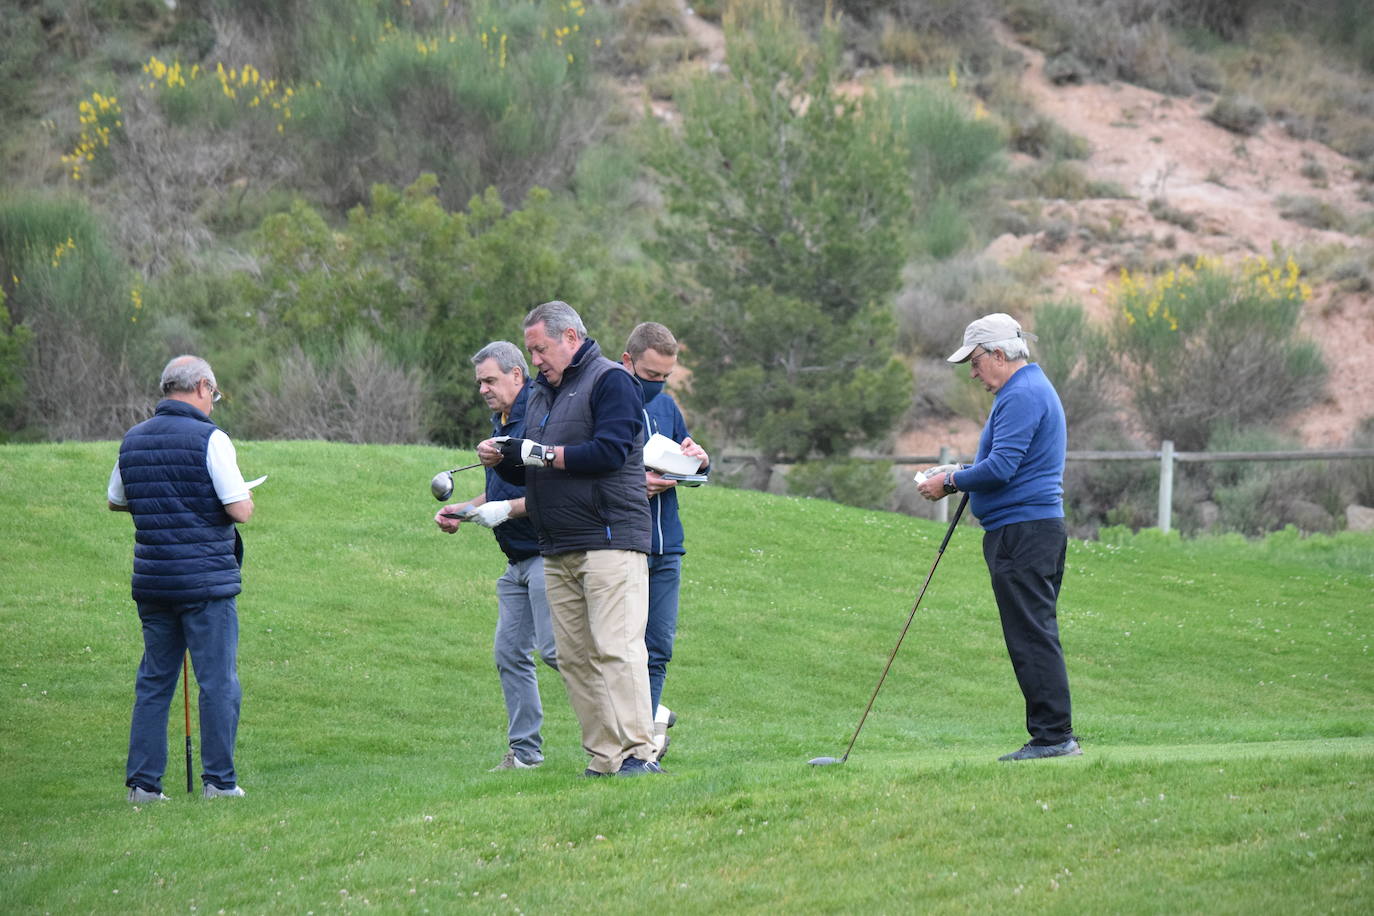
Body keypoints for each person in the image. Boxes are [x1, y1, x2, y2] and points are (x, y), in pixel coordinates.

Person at [477, 301, 660, 777]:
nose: (535, 359)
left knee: (616, 649)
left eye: (540, 349)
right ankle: (605, 758)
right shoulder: (541, 393)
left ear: (571, 338)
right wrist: (505, 458)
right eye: (532, 350)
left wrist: (539, 453)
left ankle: (639, 754)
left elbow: (611, 451)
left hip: (609, 539)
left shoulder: (611, 381)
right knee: (575, 657)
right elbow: (532, 467)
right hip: (556, 545)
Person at [916, 313, 1080, 761]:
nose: (972, 373)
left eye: (975, 362)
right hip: (1027, 530)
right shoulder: (1025, 390)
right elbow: (1003, 464)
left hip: (1023, 533)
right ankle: (1054, 735)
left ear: (999, 355)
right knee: (1034, 632)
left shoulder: (1022, 394)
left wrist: (951, 481)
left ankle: (1053, 738)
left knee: (1031, 635)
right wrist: (960, 474)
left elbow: (1003, 468)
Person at [108, 355, 254, 801]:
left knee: (154, 681)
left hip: (154, 583)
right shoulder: (212, 439)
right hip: (206, 584)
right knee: (217, 683)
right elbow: (240, 509)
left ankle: (143, 786)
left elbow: (116, 500)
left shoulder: (133, 439)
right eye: (215, 394)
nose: (214, 402)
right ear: (203, 386)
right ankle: (220, 782)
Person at [435, 341, 559, 771]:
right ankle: (525, 755)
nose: (484, 389)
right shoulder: (499, 422)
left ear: (517, 375)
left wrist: (502, 510)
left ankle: (640, 719)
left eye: (490, 380)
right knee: (509, 654)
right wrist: (464, 512)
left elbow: (550, 492)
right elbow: (501, 492)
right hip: (516, 561)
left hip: (549, 553)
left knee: (559, 653)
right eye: (480, 383)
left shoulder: (539, 419)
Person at [619, 322, 709, 761]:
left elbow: (684, 461)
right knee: (621, 651)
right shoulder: (609, 403)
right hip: (624, 546)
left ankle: (642, 751)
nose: (657, 385)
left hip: (667, 545)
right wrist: (633, 482)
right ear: (628, 362)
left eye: (665, 377)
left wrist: (697, 458)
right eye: (650, 376)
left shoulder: (669, 408)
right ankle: (630, 736)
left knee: (658, 648)